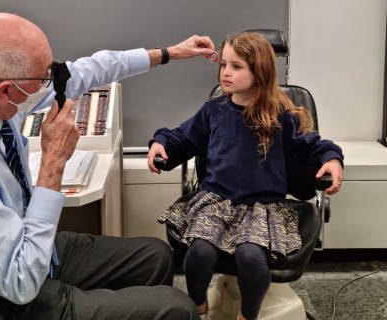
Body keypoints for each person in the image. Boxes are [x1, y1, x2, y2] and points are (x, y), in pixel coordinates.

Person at [0, 12, 216, 319]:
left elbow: (84, 72)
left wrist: (168, 53)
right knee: (179, 309)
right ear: (5, 91)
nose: (52, 82)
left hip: (20, 242)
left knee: (157, 257)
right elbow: (20, 281)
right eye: (44, 77)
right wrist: (54, 161)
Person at [147, 32, 344, 320]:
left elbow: (313, 145)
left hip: (262, 208)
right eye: (223, 64)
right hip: (217, 203)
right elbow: (182, 138)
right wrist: (161, 142)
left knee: (251, 258)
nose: (225, 72)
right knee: (199, 254)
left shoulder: (279, 116)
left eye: (236, 67)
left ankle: (247, 315)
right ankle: (199, 306)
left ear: (260, 72)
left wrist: (332, 159)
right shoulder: (214, 110)